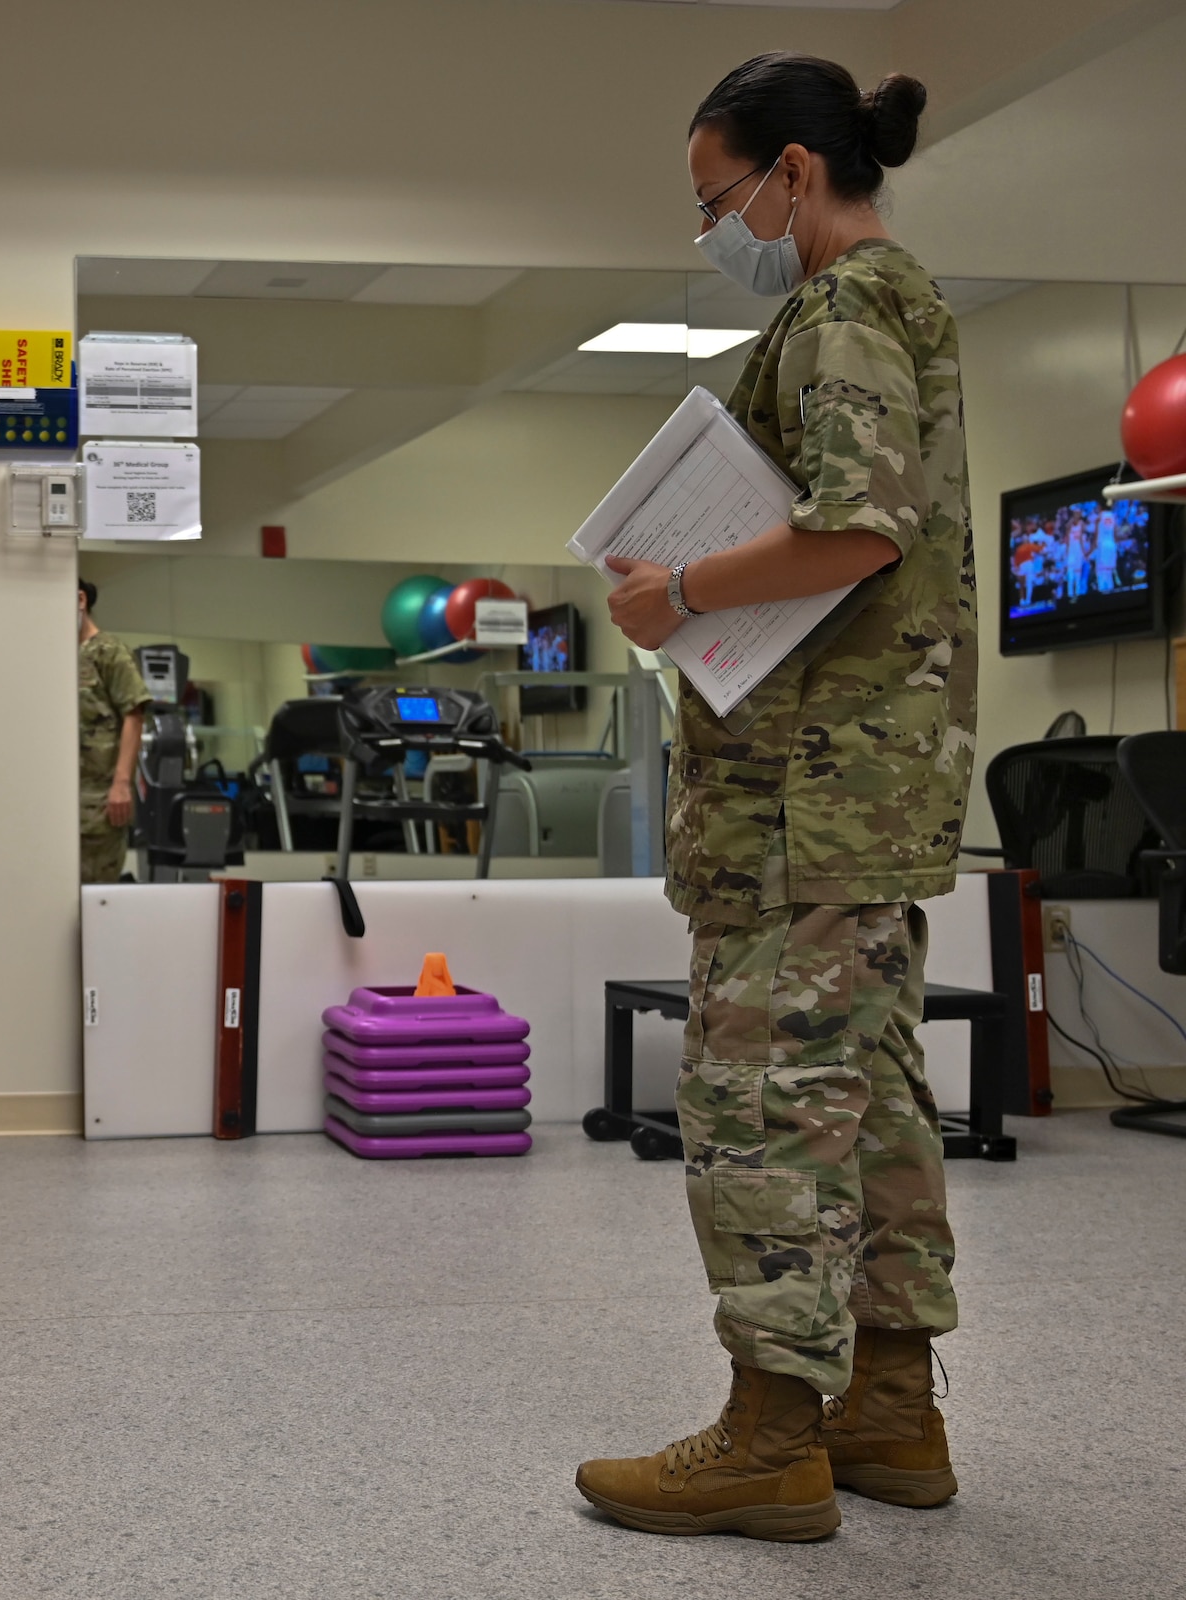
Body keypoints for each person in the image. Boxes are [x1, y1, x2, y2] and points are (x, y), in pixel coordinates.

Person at [578, 55, 976, 1542]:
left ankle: (769, 1433)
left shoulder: (843, 309)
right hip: (861, 790)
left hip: (803, 798)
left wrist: (676, 590)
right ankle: (887, 1407)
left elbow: (855, 530)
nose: (715, 233)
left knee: (763, 1100)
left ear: (794, 175)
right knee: (865, 1094)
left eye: (719, 200)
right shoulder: (904, 304)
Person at [77, 581, 152, 883]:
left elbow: (134, 715)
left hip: (99, 803)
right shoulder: (57, 656)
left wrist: (122, 784)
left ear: (80, 600)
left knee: (94, 900)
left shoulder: (109, 651)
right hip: (62, 801)